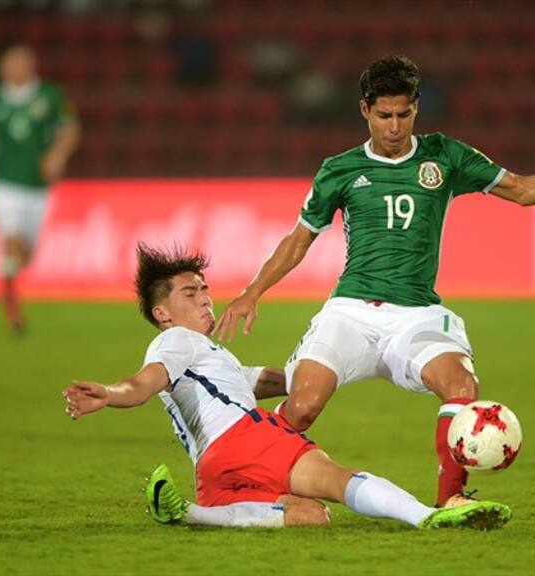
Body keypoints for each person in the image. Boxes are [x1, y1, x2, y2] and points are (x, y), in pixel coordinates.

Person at [214, 55, 535, 507]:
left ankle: (452, 501)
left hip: (417, 314)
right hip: (352, 312)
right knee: (303, 406)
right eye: (384, 115)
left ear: (416, 108)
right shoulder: (340, 170)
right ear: (365, 110)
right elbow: (298, 240)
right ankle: (251, 478)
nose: (394, 126)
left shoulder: (445, 156)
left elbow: (522, 189)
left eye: (404, 114)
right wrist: (252, 292)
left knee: (462, 387)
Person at [62, 244, 511, 530]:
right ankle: (429, 516)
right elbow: (142, 384)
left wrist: (352, 362)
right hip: (246, 440)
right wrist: (111, 393)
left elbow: (278, 381)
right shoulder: (176, 342)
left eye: (204, 289)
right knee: (338, 481)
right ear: (163, 313)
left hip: (212, 474)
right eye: (190, 293)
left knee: (311, 515)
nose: (205, 298)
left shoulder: (210, 361)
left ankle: (192, 512)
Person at [0, 44, 80, 333]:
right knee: (11, 242)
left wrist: (57, 155)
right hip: (4, 184)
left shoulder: (49, 95)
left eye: (23, 61)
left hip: (38, 188)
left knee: (25, 255)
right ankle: (12, 306)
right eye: (12, 62)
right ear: (1, 68)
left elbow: (69, 129)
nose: (18, 66)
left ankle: (9, 277)